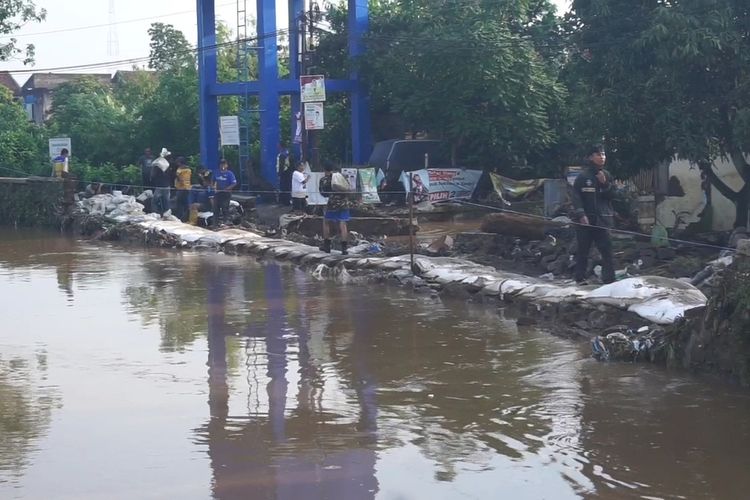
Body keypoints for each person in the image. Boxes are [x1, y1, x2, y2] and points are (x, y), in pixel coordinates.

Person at [571, 144, 616, 284]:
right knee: (583, 251)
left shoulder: (607, 175)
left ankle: (609, 280)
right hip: (585, 221)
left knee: (607, 251)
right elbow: (576, 197)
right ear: (591, 157)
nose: (602, 157)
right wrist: (580, 214)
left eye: (603, 154)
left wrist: (604, 184)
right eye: (598, 154)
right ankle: (580, 278)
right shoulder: (583, 177)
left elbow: (613, 195)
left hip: (603, 220)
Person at [318, 162, 351, 255]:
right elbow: (348, 187)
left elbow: (323, 193)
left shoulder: (324, 179)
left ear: (325, 170)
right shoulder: (342, 176)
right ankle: (344, 248)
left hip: (332, 204)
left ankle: (327, 246)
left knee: (326, 222)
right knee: (343, 224)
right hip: (344, 203)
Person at [150, 148, 173, 215]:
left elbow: (153, 175)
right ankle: (167, 214)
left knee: (154, 201)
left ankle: (155, 213)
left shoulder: (158, 165)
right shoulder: (168, 165)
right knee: (166, 201)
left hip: (160, 186)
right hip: (167, 185)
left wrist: (152, 170)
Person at [174, 157, 192, 222]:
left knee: (179, 204)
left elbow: (180, 179)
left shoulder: (179, 170)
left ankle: (180, 218)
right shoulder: (189, 169)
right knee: (186, 204)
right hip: (187, 188)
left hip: (181, 188)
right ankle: (186, 218)